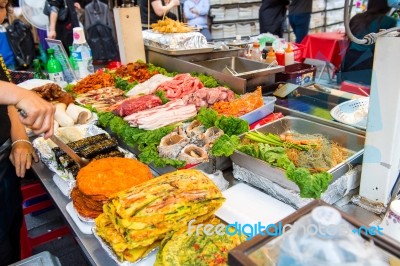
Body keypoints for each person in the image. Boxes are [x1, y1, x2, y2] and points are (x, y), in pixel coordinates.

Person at [0, 2, 55, 264]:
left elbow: (6, 101)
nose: (1, 15)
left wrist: (20, 139)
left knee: (10, 235)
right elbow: (12, 94)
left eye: (2, 6)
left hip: (5, 160)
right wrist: (21, 93)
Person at [340, 0, 396, 85]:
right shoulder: (389, 21)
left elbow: (348, 38)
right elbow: (389, 47)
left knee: (349, 89)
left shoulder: (357, 17)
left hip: (349, 59)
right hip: (369, 62)